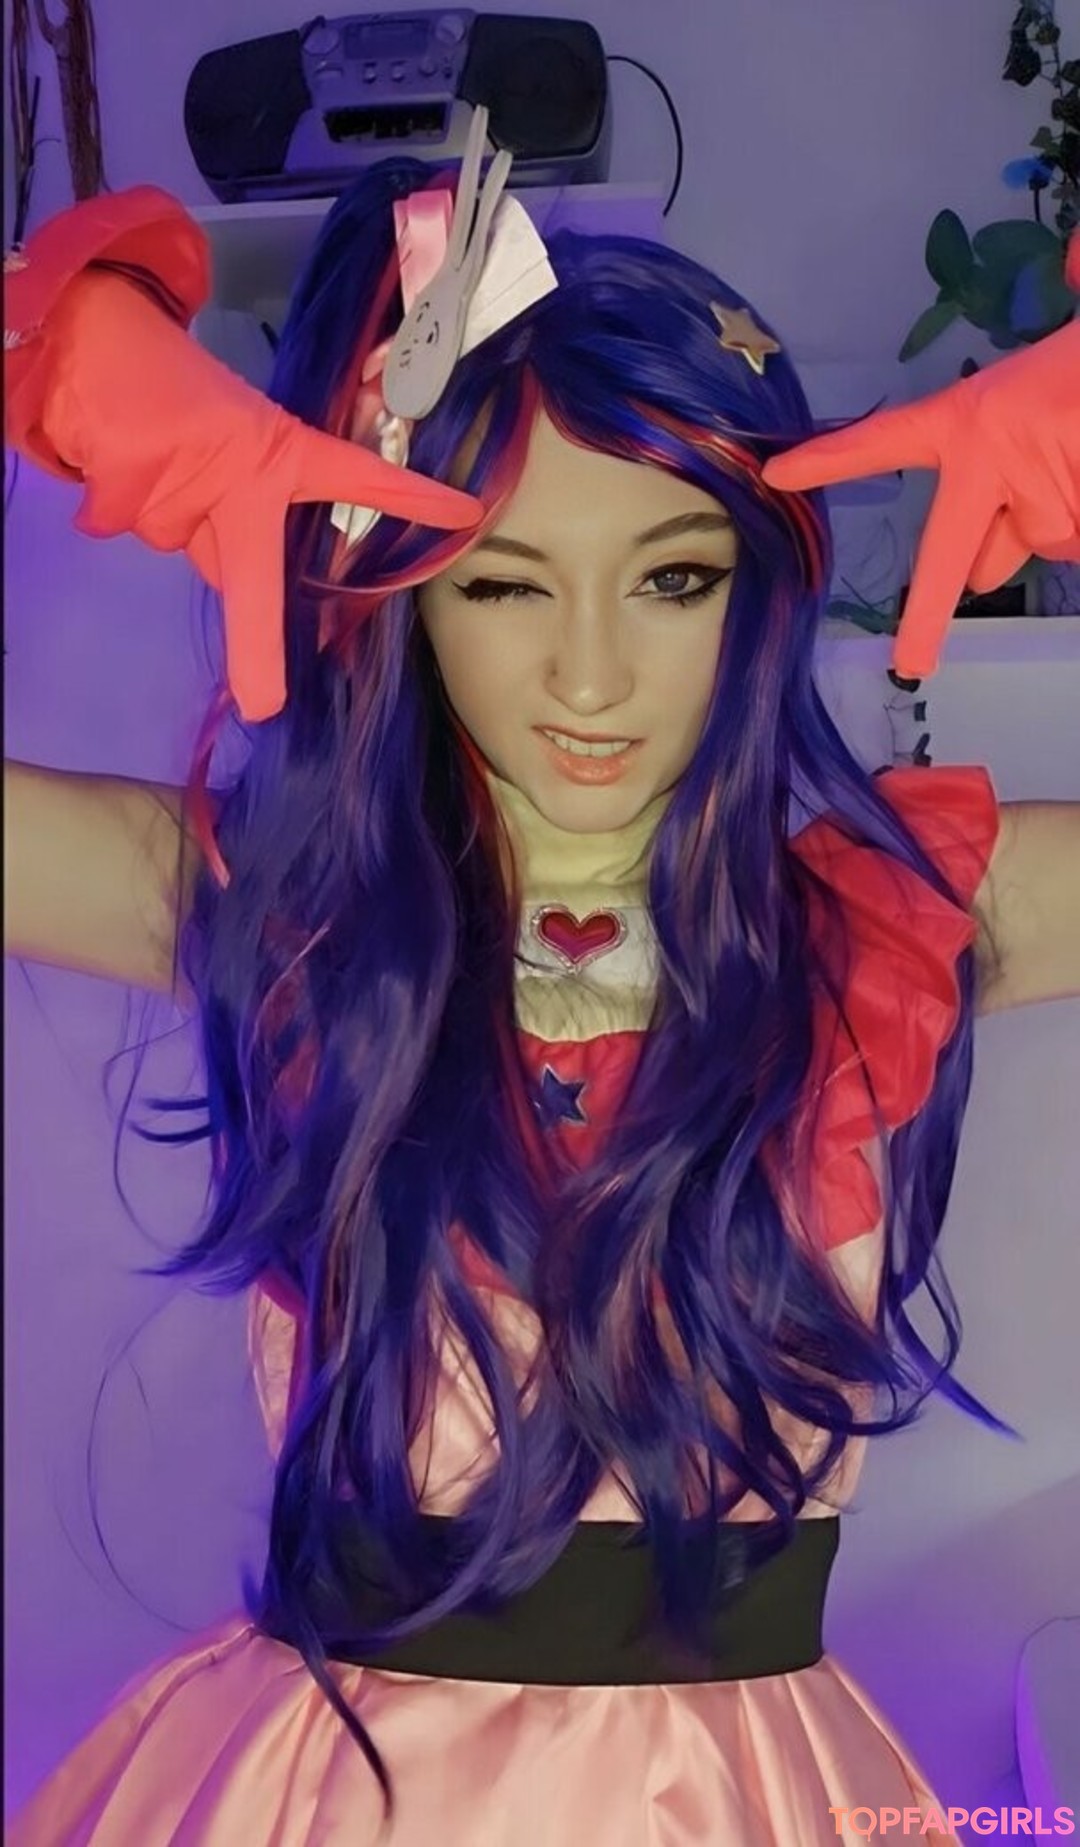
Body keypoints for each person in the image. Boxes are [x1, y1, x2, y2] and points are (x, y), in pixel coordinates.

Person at [4, 139, 1079, 1847]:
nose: (591, 672)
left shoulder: (887, 922)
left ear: (760, 586)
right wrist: (59, 352)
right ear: (396, 595)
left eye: (673, 576)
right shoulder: (285, 917)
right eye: (502, 581)